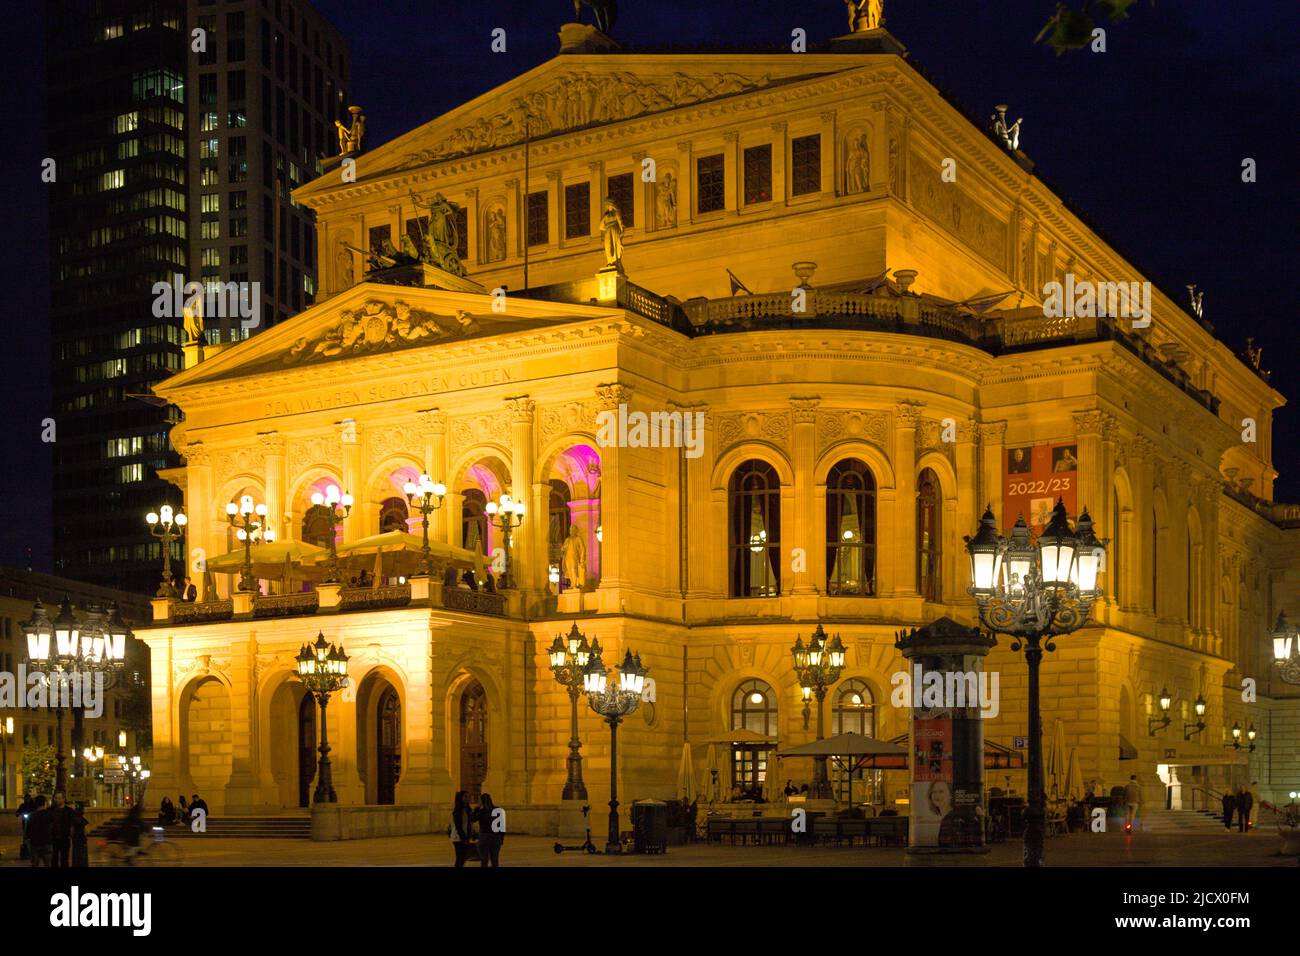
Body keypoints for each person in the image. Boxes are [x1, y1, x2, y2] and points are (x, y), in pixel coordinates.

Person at [474, 792, 504, 867]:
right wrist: (501, 838)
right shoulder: (498, 810)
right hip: (495, 837)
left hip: (484, 837)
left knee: (484, 860)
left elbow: (472, 819)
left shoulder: (481, 812)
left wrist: (477, 808)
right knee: (494, 860)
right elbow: (501, 826)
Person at [49, 791, 74, 868]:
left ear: (63, 799)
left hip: (65, 838)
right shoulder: (50, 810)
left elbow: (72, 824)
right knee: (54, 858)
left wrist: (71, 833)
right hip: (53, 838)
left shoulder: (69, 811)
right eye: (56, 798)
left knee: (64, 858)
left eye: (59, 798)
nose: (57, 800)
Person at [449, 791, 474, 867]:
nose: (468, 798)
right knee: (460, 858)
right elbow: (458, 826)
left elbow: (470, 821)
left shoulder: (466, 809)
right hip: (458, 837)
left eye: (468, 796)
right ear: (461, 798)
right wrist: (464, 838)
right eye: (465, 797)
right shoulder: (458, 810)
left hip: (464, 836)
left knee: (462, 858)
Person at [27, 796, 53, 867]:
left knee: (35, 864)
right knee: (48, 864)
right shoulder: (49, 814)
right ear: (45, 803)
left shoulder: (32, 815)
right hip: (47, 841)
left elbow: (28, 831)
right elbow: (52, 827)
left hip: (35, 843)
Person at [15, 792, 34, 860]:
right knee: (25, 837)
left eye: (28, 798)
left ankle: (32, 851)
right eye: (26, 798)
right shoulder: (22, 805)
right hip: (25, 823)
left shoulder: (33, 805)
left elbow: (35, 811)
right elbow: (18, 811)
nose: (27, 799)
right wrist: (18, 813)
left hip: (32, 824)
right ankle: (25, 851)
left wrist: (32, 814)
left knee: (32, 837)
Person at [70, 802, 90, 867]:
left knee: (76, 857)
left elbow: (72, 832)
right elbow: (86, 832)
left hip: (75, 841)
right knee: (83, 858)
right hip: (82, 841)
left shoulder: (73, 820)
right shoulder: (83, 820)